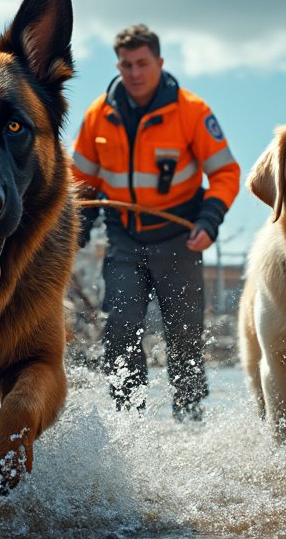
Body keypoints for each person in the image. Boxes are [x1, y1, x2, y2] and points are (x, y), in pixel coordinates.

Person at [71, 24, 240, 421]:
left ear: (159, 63)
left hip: (180, 237)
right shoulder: (99, 115)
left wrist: (209, 220)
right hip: (123, 238)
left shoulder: (191, 111)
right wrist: (77, 230)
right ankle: (129, 423)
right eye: (126, 64)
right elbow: (81, 182)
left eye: (142, 63)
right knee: (120, 329)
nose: (134, 73)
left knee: (184, 336)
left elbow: (226, 173)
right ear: (118, 65)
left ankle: (190, 415)